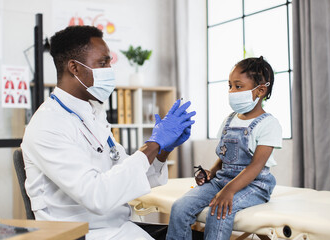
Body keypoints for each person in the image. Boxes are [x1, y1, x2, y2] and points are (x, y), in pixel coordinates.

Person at [21, 25, 196, 240]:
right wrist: (153, 144)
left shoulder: (93, 113)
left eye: (109, 63)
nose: (109, 71)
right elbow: (97, 196)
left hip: (117, 226)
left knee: (195, 234)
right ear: (74, 68)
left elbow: (125, 175)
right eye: (102, 63)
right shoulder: (47, 125)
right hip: (83, 234)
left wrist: (162, 151)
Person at [166, 56, 282, 240]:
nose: (232, 91)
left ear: (260, 91)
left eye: (238, 86)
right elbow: (225, 156)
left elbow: (255, 167)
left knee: (218, 211)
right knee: (180, 207)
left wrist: (229, 191)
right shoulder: (229, 119)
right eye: (230, 86)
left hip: (254, 186)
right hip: (223, 181)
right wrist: (212, 172)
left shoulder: (269, 124)